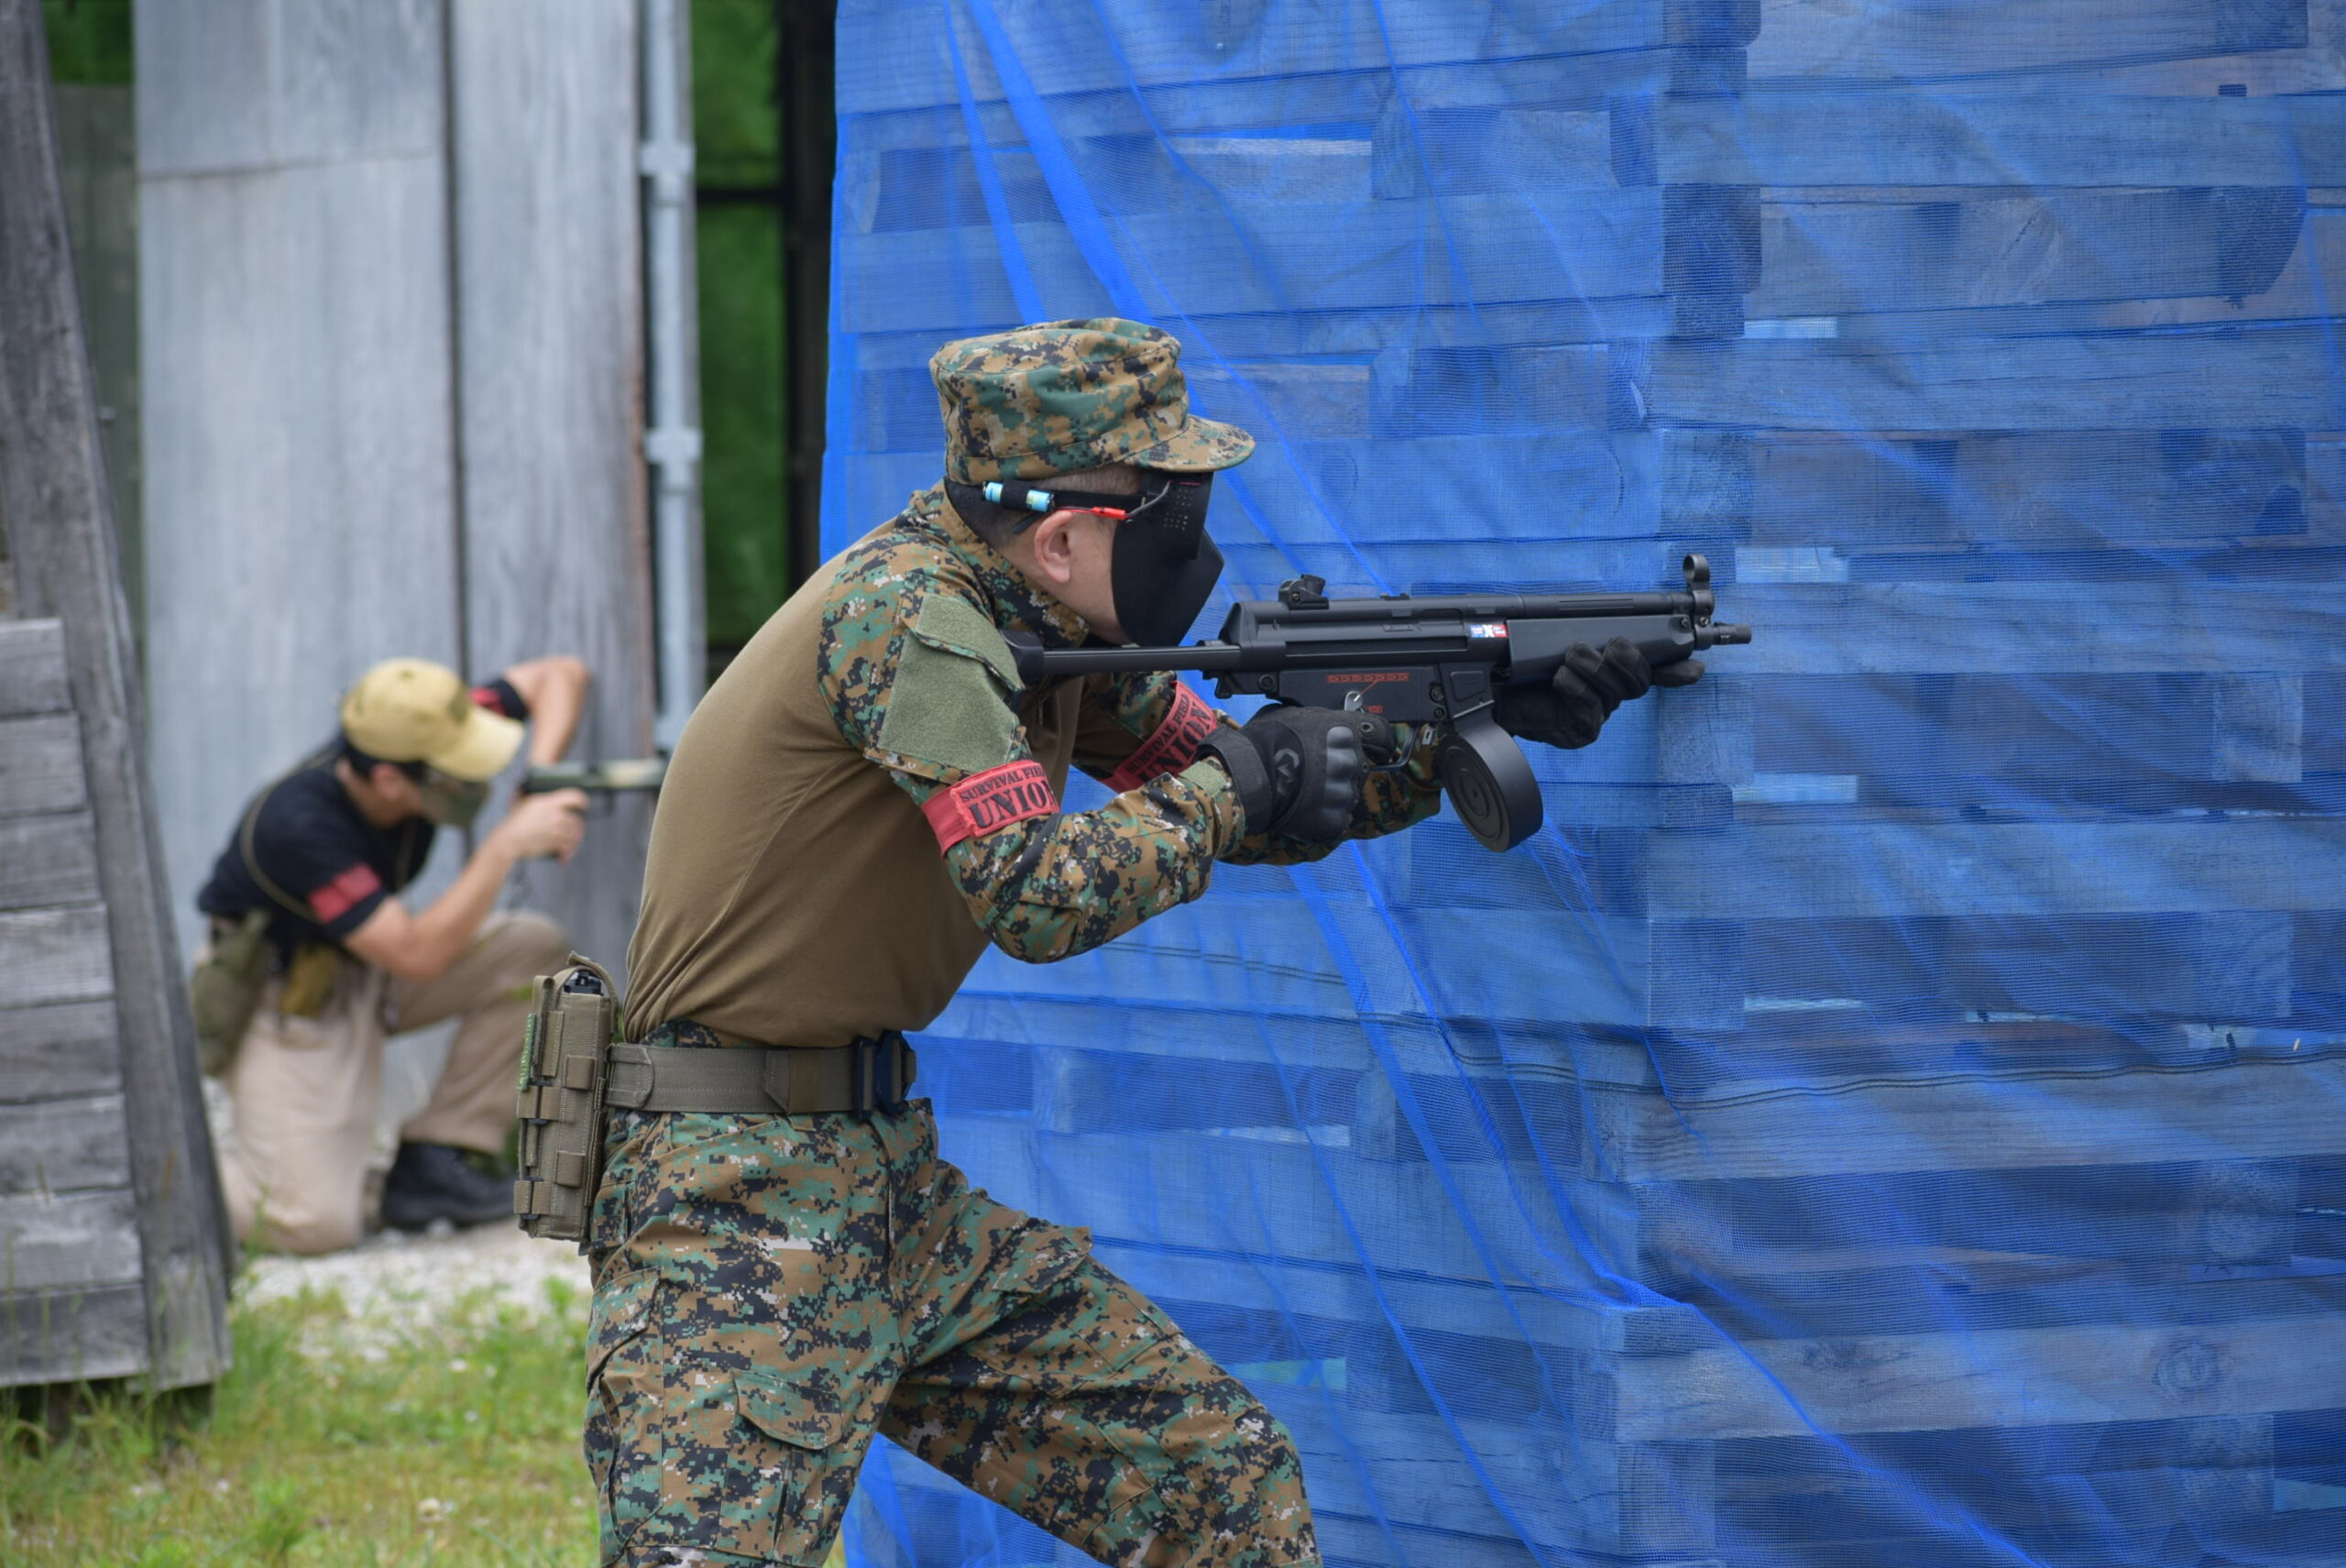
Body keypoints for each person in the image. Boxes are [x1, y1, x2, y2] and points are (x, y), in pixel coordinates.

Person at [590, 319, 1699, 1566]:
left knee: (1216, 1478)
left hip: (876, 1172)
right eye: (1170, 511)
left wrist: (1464, 723)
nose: (1195, 543)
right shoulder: (912, 622)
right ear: (1064, 540)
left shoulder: (1040, 629)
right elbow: (1040, 893)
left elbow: (1252, 790)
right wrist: (1240, 781)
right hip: (735, 1188)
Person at [196, 654, 594, 1254]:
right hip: (289, 999)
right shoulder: (299, 827)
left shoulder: (423, 732)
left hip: (370, 962)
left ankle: (437, 1157)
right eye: (460, 771)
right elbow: (416, 956)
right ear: (389, 781)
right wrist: (505, 846)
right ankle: (165, 1181)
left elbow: (560, 675)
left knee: (532, 949)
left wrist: (541, 778)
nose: (477, 778)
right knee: (312, 1222)